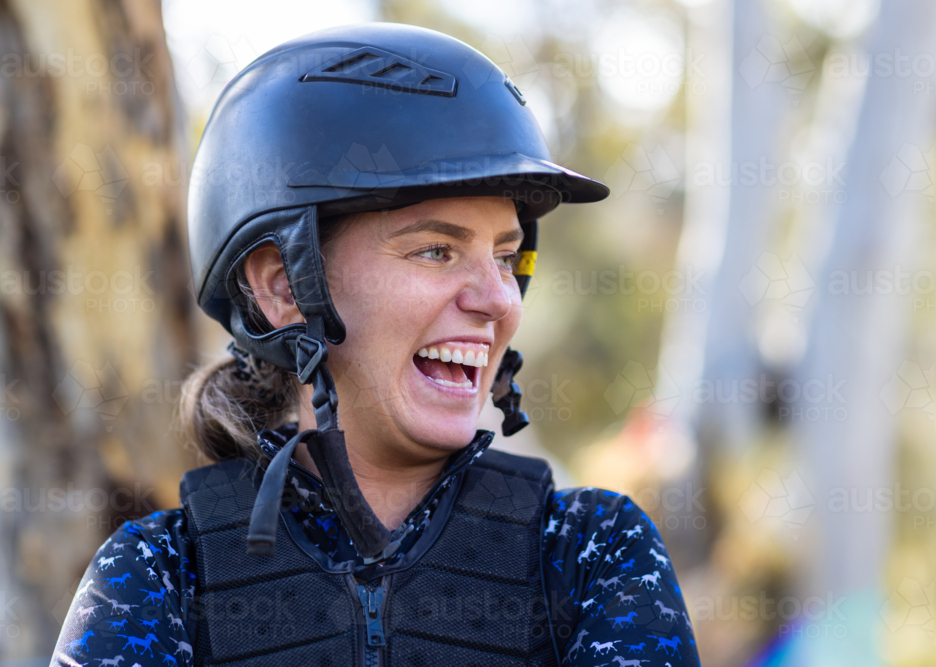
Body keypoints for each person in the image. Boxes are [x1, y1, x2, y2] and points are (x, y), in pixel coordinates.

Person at [51, 23, 701, 667]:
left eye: (506, 256)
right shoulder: (159, 577)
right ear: (284, 287)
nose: (500, 299)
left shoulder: (592, 556)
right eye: (437, 250)